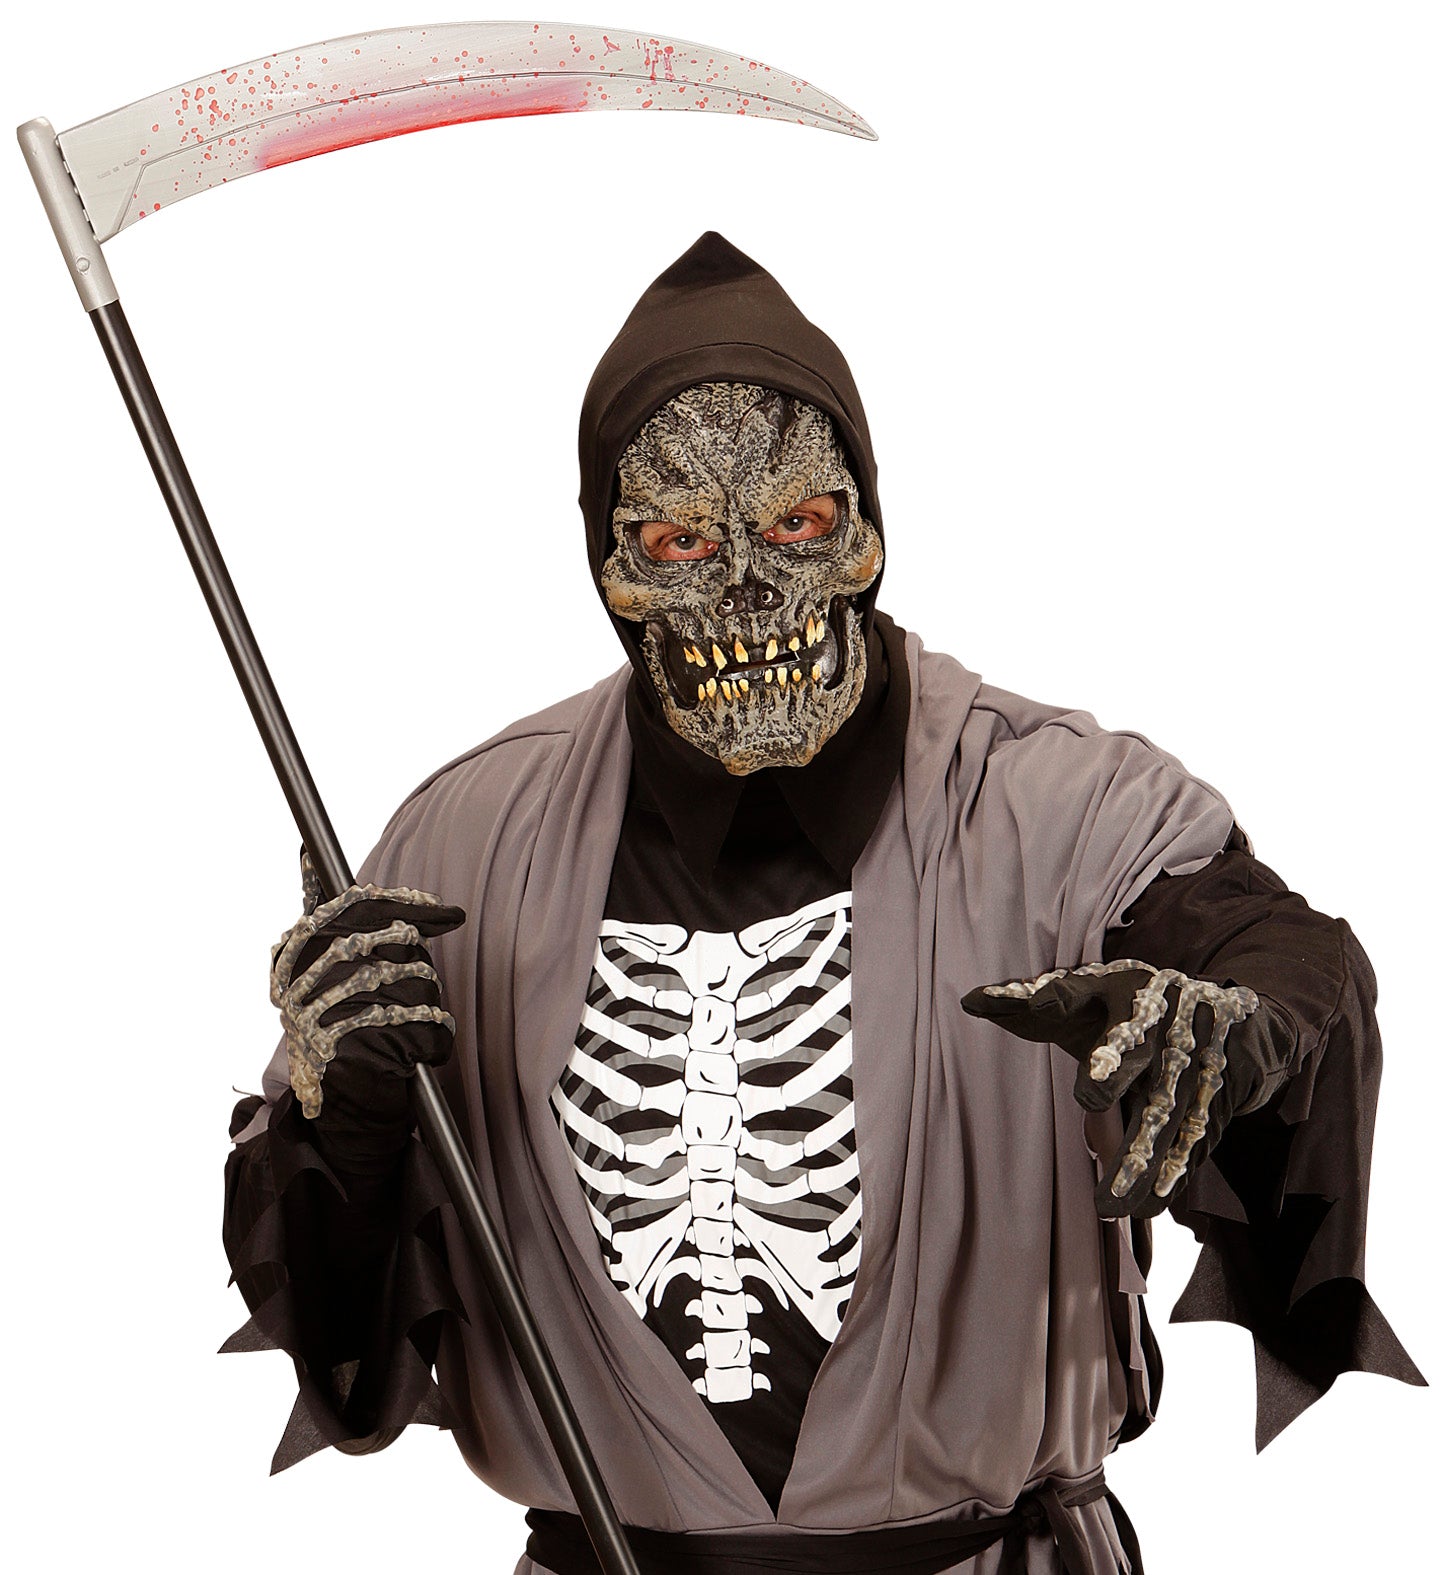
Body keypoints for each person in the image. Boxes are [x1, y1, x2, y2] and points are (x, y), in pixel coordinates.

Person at [224, 232, 1421, 1574]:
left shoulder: (1063, 807)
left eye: (796, 527)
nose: (746, 588)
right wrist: (346, 1113)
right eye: (679, 540)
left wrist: (1245, 1024)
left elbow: (1273, 948)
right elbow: (344, 1318)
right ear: (612, 570)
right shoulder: (464, 839)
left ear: (866, 535)